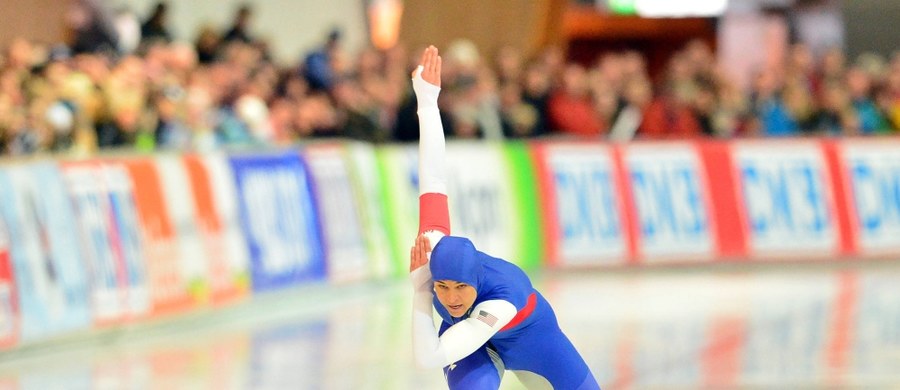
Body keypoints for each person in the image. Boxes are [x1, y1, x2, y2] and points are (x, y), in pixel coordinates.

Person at [408, 45, 600, 389]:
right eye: (442, 286)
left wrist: (422, 290)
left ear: (476, 282)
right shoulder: (431, 252)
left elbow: (430, 355)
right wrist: (427, 102)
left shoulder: (502, 297)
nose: (451, 298)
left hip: (533, 341)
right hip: (473, 347)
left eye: (461, 288)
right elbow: (434, 179)